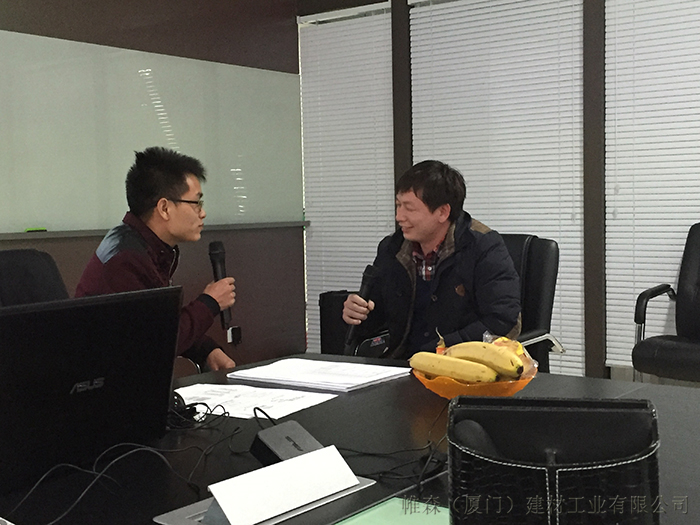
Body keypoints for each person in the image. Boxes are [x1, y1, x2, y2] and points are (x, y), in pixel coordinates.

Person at [76, 147, 237, 371]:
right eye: (196, 203)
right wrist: (209, 303)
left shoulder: (145, 245)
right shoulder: (125, 260)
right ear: (164, 208)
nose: (203, 213)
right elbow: (155, 341)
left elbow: (159, 322)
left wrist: (206, 350)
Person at [342, 160, 521, 359]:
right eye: (398, 205)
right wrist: (358, 313)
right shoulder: (392, 248)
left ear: (442, 212)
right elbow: (377, 318)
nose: (399, 216)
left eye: (409, 208)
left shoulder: (483, 247)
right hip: (402, 363)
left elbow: (502, 320)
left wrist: (439, 351)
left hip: (462, 364)